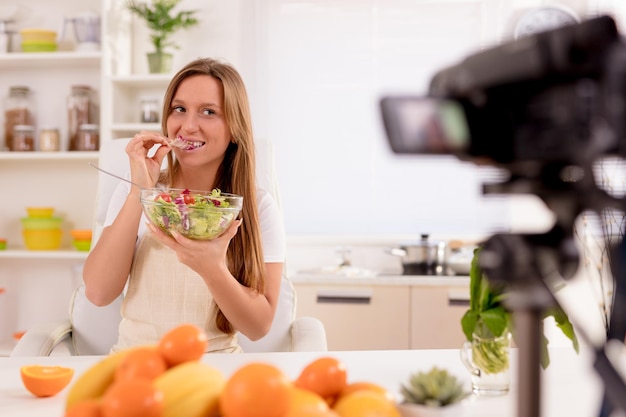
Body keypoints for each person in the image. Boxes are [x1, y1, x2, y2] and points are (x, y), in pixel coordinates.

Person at [82, 57, 286, 353]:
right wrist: (140, 190)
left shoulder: (259, 207)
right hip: (136, 366)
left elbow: (259, 327)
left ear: (235, 127)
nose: (188, 126)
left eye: (208, 112)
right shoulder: (138, 188)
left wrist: (212, 268)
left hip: (215, 371)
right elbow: (99, 293)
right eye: (180, 109)